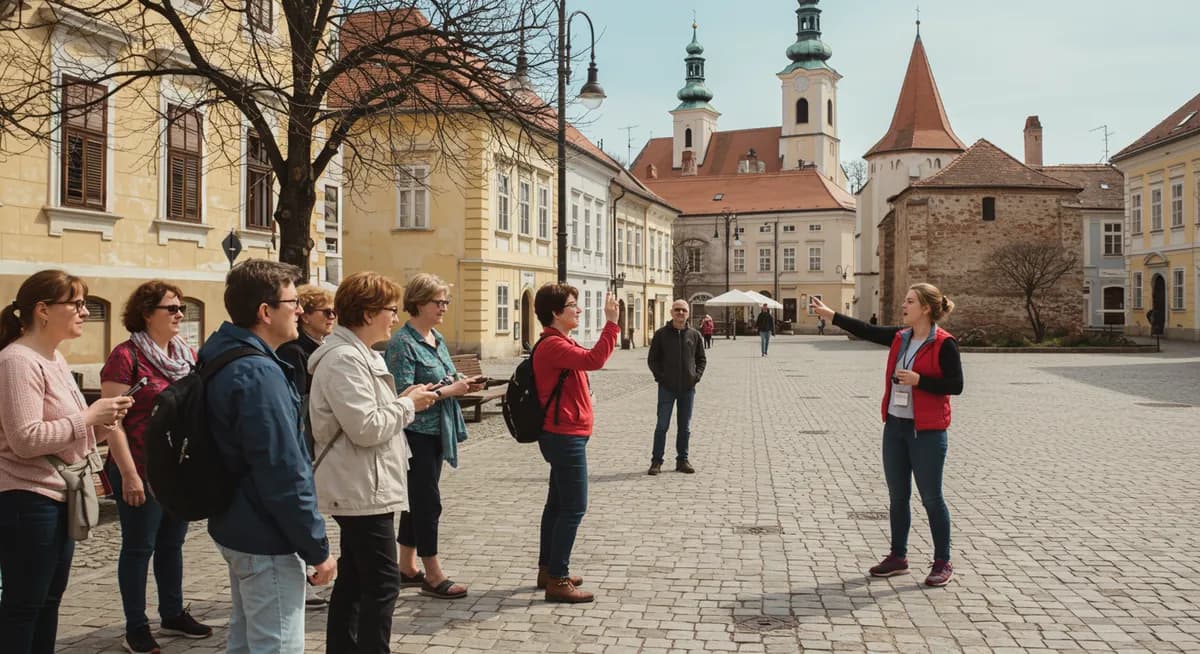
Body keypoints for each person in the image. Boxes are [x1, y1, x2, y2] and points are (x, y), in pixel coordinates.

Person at [200, 259, 336, 654]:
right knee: (275, 646)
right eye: (292, 302)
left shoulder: (224, 353)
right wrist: (318, 549)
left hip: (236, 524)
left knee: (245, 642)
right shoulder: (259, 374)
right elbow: (283, 472)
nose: (299, 310)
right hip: (265, 535)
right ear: (265, 311)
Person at [0, 270, 133, 654]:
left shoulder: (53, 357)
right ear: (43, 310)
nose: (84, 312)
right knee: (23, 606)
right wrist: (89, 417)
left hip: (59, 497)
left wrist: (105, 425)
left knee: (49, 602)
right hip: (27, 500)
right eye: (76, 303)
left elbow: (71, 437)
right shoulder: (17, 361)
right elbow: (26, 439)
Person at [307, 271, 438, 654]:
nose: (394, 318)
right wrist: (407, 404)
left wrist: (403, 400)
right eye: (390, 310)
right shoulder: (344, 360)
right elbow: (366, 427)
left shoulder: (359, 354)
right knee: (382, 582)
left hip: (367, 482)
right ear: (367, 313)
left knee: (355, 578)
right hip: (360, 485)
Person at [810, 284, 964, 587]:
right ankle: (898, 556)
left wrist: (921, 380)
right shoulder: (900, 338)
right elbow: (867, 330)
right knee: (897, 496)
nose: (903, 306)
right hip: (895, 426)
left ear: (927, 309)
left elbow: (956, 385)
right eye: (904, 300)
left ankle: (943, 561)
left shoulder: (944, 344)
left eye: (910, 302)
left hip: (928, 432)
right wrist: (832, 315)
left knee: (932, 497)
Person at [99, 281, 211, 652]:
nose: (180, 314)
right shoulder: (126, 356)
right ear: (147, 313)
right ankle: (135, 625)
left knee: (172, 544)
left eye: (181, 308)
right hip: (138, 466)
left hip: (175, 468)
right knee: (138, 547)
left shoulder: (185, 355)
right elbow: (108, 421)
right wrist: (129, 473)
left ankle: (173, 612)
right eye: (172, 309)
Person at [384, 274, 483, 602]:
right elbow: (402, 392)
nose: (443, 308)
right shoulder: (403, 343)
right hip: (415, 434)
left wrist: (463, 382)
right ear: (418, 303)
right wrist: (447, 391)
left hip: (437, 431)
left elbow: (442, 376)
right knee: (427, 504)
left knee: (417, 502)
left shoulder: (435, 337)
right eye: (437, 302)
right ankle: (433, 573)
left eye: (445, 302)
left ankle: (406, 567)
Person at [532, 283, 619, 603]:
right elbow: (596, 359)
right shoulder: (553, 345)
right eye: (572, 305)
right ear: (556, 312)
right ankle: (558, 579)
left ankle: (548, 569)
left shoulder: (559, 341)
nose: (578, 310)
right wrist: (611, 322)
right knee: (574, 507)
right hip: (564, 436)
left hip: (567, 433)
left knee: (556, 505)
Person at [275, 286, 337, 611]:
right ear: (306, 316)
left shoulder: (320, 348)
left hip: (315, 442)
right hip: (306, 443)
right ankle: (304, 579)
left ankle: (311, 573)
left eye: (334, 312)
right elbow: (301, 404)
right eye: (325, 312)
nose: (332, 317)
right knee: (302, 510)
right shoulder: (296, 351)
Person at [646, 300, 706, 476]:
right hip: (667, 388)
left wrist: (696, 377)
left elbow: (701, 359)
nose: (680, 313)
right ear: (671, 312)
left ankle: (682, 460)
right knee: (662, 425)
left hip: (687, 388)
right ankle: (656, 461)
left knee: (684, 427)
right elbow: (653, 360)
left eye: (684, 310)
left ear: (688, 313)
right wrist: (661, 377)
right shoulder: (661, 335)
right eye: (677, 310)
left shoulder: (694, 335)